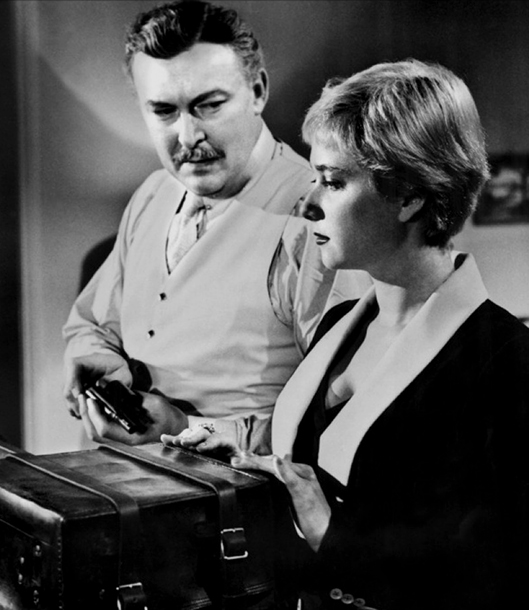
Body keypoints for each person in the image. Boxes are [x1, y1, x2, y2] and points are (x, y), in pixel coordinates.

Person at [164, 59, 529, 610]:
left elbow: (498, 587)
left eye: (333, 181)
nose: (308, 204)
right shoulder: (339, 324)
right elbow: (317, 476)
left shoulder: (509, 361)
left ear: (409, 195)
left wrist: (336, 539)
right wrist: (247, 462)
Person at [63, 0, 369, 451]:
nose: (188, 137)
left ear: (258, 91)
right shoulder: (153, 194)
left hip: (244, 492)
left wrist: (185, 424)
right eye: (164, 111)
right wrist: (97, 362)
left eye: (208, 105)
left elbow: (343, 416)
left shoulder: (314, 218)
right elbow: (92, 323)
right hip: (127, 481)